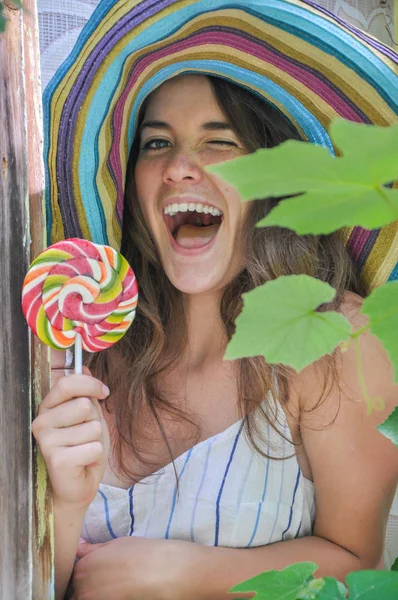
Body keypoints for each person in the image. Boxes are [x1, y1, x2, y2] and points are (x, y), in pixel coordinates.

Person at [34, 2, 398, 599]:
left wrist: (178, 574)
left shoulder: (338, 341)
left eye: (219, 141)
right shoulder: (81, 351)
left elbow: (359, 566)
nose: (179, 166)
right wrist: (66, 506)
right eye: (156, 144)